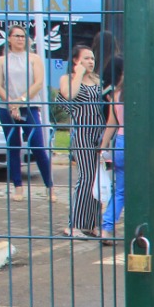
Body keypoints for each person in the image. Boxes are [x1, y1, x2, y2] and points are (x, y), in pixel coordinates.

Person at [0, 22, 54, 202]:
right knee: (13, 146)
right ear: (9, 39)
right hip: (7, 108)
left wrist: (20, 101)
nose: (20, 39)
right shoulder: (2, 60)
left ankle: (49, 186)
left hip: (29, 106)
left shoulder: (34, 58)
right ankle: (17, 187)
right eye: (16, 36)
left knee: (38, 146)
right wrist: (12, 104)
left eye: (22, 36)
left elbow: (38, 83)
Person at [56, 44, 101, 238]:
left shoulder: (97, 80)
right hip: (82, 133)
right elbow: (69, 95)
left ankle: (92, 223)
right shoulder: (68, 79)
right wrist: (79, 73)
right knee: (85, 177)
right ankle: (73, 224)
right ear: (76, 60)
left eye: (92, 58)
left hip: (99, 133)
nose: (90, 62)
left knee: (98, 179)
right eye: (86, 58)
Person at [97, 58, 126, 243]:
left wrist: (102, 147)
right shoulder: (144, 92)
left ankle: (106, 228)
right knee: (143, 189)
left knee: (120, 190)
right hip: (138, 143)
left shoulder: (117, 94)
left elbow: (111, 123)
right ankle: (139, 229)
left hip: (120, 142)